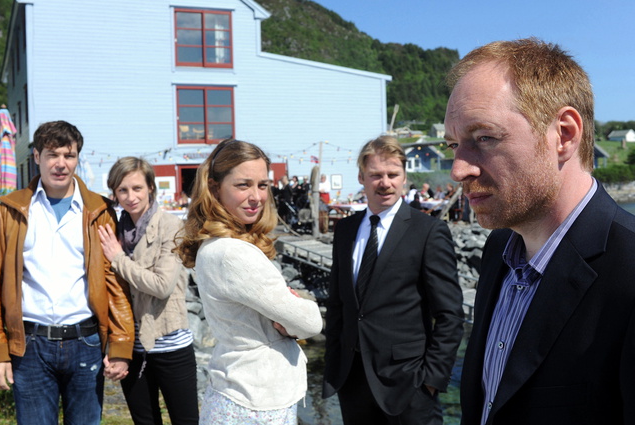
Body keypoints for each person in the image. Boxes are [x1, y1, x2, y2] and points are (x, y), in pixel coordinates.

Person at [445, 38, 635, 425]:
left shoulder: (630, 270)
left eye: (484, 138)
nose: (458, 169)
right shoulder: (499, 248)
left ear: (564, 134)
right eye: (454, 145)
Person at [0, 120, 134, 424]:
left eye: (69, 156)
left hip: (85, 343)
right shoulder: (10, 210)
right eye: (52, 154)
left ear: (77, 158)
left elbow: (114, 282)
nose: (61, 164)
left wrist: (121, 344)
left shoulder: (99, 210)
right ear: (36, 157)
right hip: (28, 347)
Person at [174, 139, 322, 424]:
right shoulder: (232, 253)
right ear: (215, 188)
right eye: (243, 185)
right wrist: (299, 307)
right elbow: (311, 324)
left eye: (263, 185)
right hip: (255, 400)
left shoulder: (215, 245)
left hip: (239, 389)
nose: (256, 196)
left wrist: (286, 313)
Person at [323, 135, 464, 425]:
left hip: (409, 385)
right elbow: (337, 303)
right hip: (352, 381)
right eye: (375, 175)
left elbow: (449, 314)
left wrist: (432, 380)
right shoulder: (346, 230)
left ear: (403, 178)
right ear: (361, 178)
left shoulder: (428, 231)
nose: (384, 183)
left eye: (392, 174)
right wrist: (335, 363)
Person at [98, 157, 199, 425]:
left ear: (151, 188)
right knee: (144, 422)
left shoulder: (171, 226)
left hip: (171, 344)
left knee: (185, 421)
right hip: (131, 347)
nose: (131, 197)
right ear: (115, 194)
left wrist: (119, 258)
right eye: (123, 190)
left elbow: (162, 285)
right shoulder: (115, 229)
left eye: (137, 188)